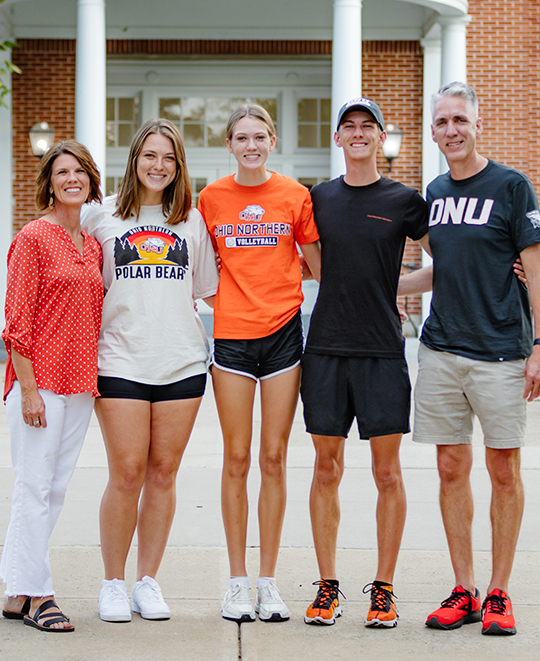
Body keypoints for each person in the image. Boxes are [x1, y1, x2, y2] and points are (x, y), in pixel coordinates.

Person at [410, 81, 540, 636]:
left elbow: (533, 268)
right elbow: (446, 269)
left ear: (476, 124)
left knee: (503, 470)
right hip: (441, 348)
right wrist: (378, 285)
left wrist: (539, 346)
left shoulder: (512, 186)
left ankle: (499, 592)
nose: (451, 130)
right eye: (442, 122)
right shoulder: (435, 192)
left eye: (459, 120)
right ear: (433, 130)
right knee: (449, 467)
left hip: (502, 351)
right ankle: (463, 588)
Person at [81, 119, 219, 623]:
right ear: (134, 160)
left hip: (181, 361)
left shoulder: (192, 222)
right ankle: (112, 582)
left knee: (163, 473)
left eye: (168, 158)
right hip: (119, 360)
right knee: (128, 473)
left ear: (178, 166)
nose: (158, 165)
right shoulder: (101, 219)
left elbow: (208, 292)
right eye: (149, 156)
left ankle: (146, 582)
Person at [300, 98, 430, 628]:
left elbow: (448, 256)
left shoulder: (404, 200)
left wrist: (396, 285)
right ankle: (328, 586)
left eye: (367, 127)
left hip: (381, 351)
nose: (358, 134)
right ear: (338, 139)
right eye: (348, 127)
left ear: (380, 139)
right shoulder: (318, 198)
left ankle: (384, 588)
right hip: (327, 348)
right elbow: (306, 264)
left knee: (386, 473)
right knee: (326, 469)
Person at [198, 104, 321, 622]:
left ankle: (268, 583)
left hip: (283, 340)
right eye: (241, 138)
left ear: (272, 141)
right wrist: (228, 299)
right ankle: (235, 583)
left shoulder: (295, 196)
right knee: (236, 459)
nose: (251, 145)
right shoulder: (210, 198)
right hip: (230, 340)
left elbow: (319, 267)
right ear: (229, 145)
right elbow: (198, 265)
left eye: (259, 137)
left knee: (273, 459)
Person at [0, 141, 103, 632]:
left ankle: (16, 589)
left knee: (53, 489)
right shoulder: (33, 237)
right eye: (61, 172)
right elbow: (16, 321)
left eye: (79, 170)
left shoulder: (94, 243)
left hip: (81, 384)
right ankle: (40, 594)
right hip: (39, 383)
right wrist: (27, 389)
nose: (71, 179)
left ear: (90, 178)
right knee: (33, 487)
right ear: (49, 182)